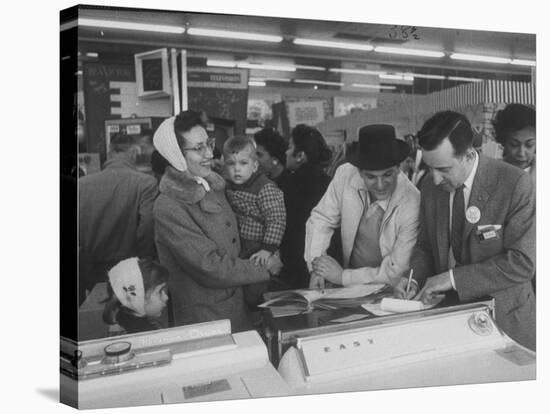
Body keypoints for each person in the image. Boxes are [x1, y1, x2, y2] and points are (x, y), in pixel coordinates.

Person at [394, 111, 535, 351]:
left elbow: (522, 262)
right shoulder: (429, 185)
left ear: (469, 155)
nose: (436, 179)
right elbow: (425, 246)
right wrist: (413, 279)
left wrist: (451, 279)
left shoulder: (514, 184)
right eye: (430, 167)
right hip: (448, 323)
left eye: (444, 169)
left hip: (506, 321)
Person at [152, 110, 282, 332]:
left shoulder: (212, 184)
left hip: (237, 304)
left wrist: (268, 249)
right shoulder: (168, 206)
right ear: (176, 155)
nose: (209, 154)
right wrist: (264, 268)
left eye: (208, 144)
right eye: (198, 148)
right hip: (206, 317)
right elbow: (208, 267)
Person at [306, 125, 420, 289]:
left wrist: (342, 276)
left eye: (388, 174)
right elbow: (321, 219)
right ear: (359, 171)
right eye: (371, 177)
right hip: (347, 287)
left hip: (391, 289)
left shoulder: (412, 201)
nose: (380, 185)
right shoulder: (345, 175)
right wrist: (317, 267)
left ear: (399, 168)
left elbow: (397, 270)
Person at [79, 133, 158, 305]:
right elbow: (147, 229)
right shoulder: (146, 183)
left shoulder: (81, 185)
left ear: (110, 152)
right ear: (134, 153)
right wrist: (147, 265)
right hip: (131, 272)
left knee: (98, 322)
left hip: (91, 274)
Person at [223, 135, 286, 305]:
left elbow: (276, 219)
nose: (237, 169)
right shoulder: (228, 186)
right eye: (231, 163)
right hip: (240, 245)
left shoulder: (265, 188)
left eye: (243, 163)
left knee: (256, 291)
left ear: (255, 165)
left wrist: (268, 249)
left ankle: (258, 318)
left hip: (260, 246)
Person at [279, 124, 333, 289]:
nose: (286, 152)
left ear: (300, 156)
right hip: (326, 266)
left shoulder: (291, 184)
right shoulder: (329, 183)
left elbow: (290, 231)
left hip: (296, 268)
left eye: (289, 147)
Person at [103, 257, 169, 334]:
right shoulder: (146, 334)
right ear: (138, 299)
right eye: (160, 292)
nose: (166, 297)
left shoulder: (122, 319)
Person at [492, 104, 536, 187]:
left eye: (529, 145)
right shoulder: (491, 172)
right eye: (514, 144)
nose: (521, 153)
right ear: (503, 141)